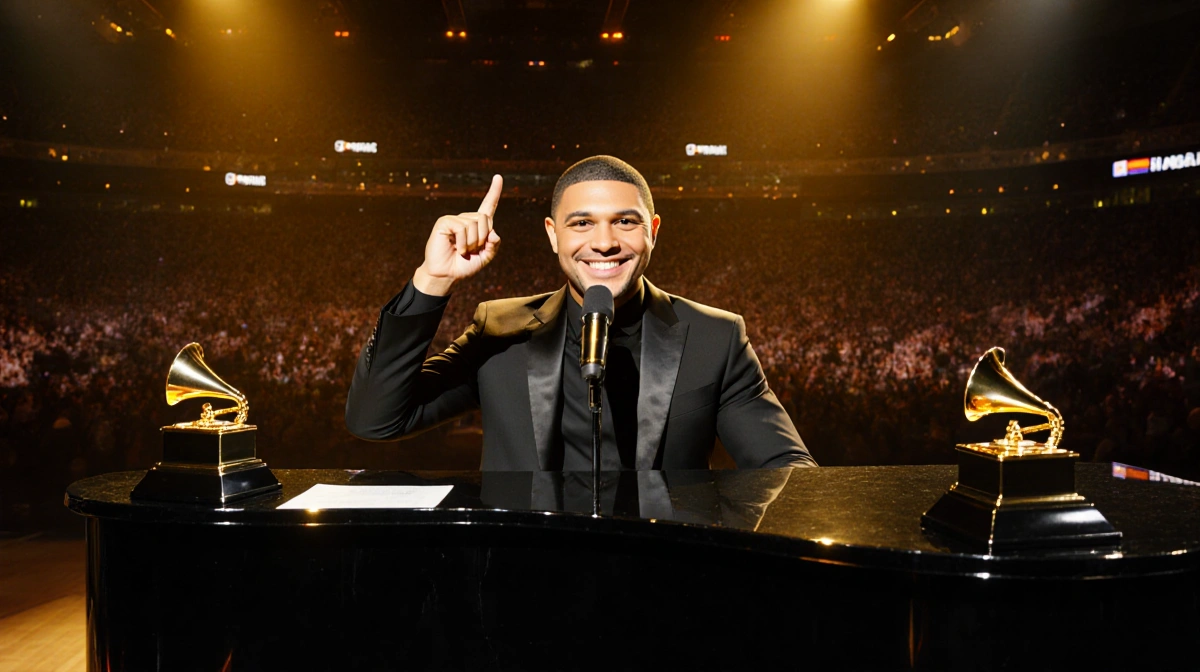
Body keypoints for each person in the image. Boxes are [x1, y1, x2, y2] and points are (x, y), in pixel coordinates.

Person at [345, 155, 815, 470]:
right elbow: (376, 420)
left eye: (624, 222)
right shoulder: (500, 330)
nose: (605, 241)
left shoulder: (715, 339)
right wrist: (432, 280)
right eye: (582, 222)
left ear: (652, 230)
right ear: (553, 235)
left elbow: (788, 474)